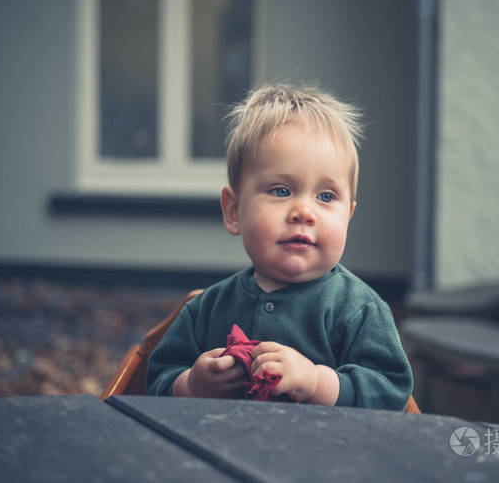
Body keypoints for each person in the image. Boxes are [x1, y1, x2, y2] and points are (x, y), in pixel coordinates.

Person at [147, 84, 413, 410]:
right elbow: (154, 383)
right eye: (281, 191)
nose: (304, 211)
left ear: (348, 216)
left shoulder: (359, 310)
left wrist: (317, 382)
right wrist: (190, 384)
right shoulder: (207, 309)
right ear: (234, 211)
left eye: (326, 196)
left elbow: (391, 394)